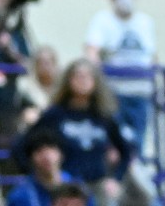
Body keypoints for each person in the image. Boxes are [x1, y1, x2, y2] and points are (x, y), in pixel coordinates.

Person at [18, 59, 129, 206]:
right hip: (65, 188)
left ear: (95, 81)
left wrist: (116, 178)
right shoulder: (55, 114)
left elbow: (126, 150)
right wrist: (37, 174)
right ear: (68, 81)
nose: (82, 81)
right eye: (78, 76)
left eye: (87, 76)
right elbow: (22, 145)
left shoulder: (104, 116)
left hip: (97, 184)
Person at [84, 0, 156, 158]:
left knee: (137, 141)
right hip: (115, 93)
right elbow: (91, 51)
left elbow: (152, 56)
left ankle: (134, 175)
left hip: (140, 93)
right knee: (114, 142)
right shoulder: (103, 20)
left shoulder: (145, 22)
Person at [0, 0, 33, 197]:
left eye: (7, 2)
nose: (3, 6)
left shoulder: (17, 36)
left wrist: (9, 49)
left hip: (6, 110)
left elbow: (26, 67)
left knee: (8, 160)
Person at [5, 128, 90, 206]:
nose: (47, 156)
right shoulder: (20, 196)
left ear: (61, 153)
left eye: (51, 148)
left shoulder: (80, 191)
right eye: (39, 151)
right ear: (30, 158)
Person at [20, 47, 61, 128]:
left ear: (55, 64)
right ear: (36, 65)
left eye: (48, 62)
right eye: (41, 62)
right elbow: (26, 114)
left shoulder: (62, 86)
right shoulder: (26, 86)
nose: (45, 66)